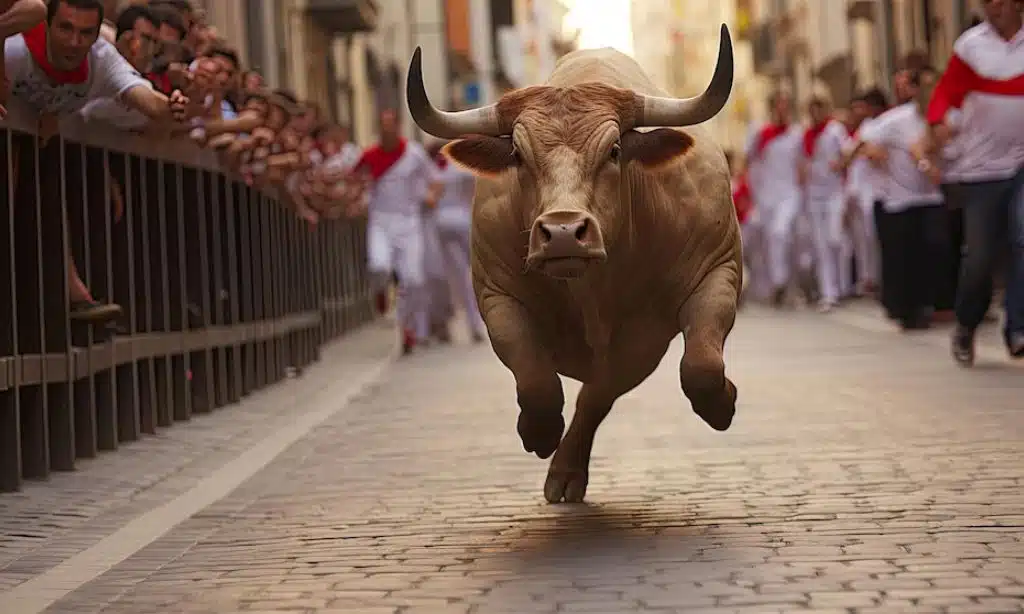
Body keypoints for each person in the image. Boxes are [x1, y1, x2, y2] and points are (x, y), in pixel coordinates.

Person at [5, 0, 188, 322]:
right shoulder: (17, 47)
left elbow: (145, 99)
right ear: (48, 25)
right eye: (65, 29)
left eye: (85, 33)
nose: (74, 42)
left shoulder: (102, 59)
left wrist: (170, 106)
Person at [923, 0, 1024, 365]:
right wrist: (937, 122)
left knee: (1023, 239)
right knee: (979, 258)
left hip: (1021, 164)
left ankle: (1018, 328)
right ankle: (966, 324)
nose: (993, 7)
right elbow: (947, 91)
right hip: (981, 170)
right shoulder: (971, 45)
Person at [860, 66, 945, 331]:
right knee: (906, 257)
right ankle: (910, 310)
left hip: (932, 197)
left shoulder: (943, 116)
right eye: (926, 87)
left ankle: (932, 302)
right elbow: (867, 140)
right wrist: (877, 154)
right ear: (917, 91)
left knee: (933, 248)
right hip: (902, 199)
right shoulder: (897, 119)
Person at [352, 109, 442, 354]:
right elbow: (353, 179)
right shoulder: (370, 155)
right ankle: (380, 292)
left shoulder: (413, 153)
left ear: (399, 127)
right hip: (380, 221)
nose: (387, 130)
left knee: (413, 279)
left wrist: (431, 197)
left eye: (391, 125)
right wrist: (356, 198)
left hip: (409, 223)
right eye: (383, 126)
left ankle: (408, 328)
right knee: (378, 266)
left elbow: (434, 180)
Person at [743, 91, 805, 306]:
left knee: (781, 233)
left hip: (790, 194)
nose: (782, 109)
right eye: (778, 104)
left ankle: (781, 282)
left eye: (785, 105)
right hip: (766, 196)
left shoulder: (797, 134)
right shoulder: (760, 133)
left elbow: (803, 163)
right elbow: (748, 161)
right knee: (772, 242)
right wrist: (751, 192)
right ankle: (781, 287)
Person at [426, 139, 485, 343]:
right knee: (463, 277)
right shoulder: (457, 168)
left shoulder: (431, 170)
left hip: (445, 225)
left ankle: (460, 323)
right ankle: (471, 323)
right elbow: (474, 191)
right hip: (460, 223)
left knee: (455, 278)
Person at [801, 95, 849, 312]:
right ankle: (828, 293)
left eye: (818, 109)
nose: (815, 114)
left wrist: (840, 165)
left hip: (834, 192)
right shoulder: (807, 135)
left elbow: (850, 150)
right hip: (814, 195)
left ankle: (842, 286)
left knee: (835, 239)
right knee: (820, 245)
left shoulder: (835, 130)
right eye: (812, 110)